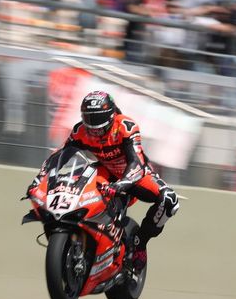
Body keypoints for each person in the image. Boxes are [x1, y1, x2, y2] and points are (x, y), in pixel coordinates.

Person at [27, 91, 179, 272]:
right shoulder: (80, 131)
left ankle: (139, 244)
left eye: (97, 119)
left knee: (170, 200)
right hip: (105, 171)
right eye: (88, 118)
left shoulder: (125, 126)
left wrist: (123, 183)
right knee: (77, 189)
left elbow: (136, 162)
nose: (93, 127)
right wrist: (40, 178)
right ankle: (79, 234)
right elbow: (60, 156)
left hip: (135, 173)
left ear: (111, 115)